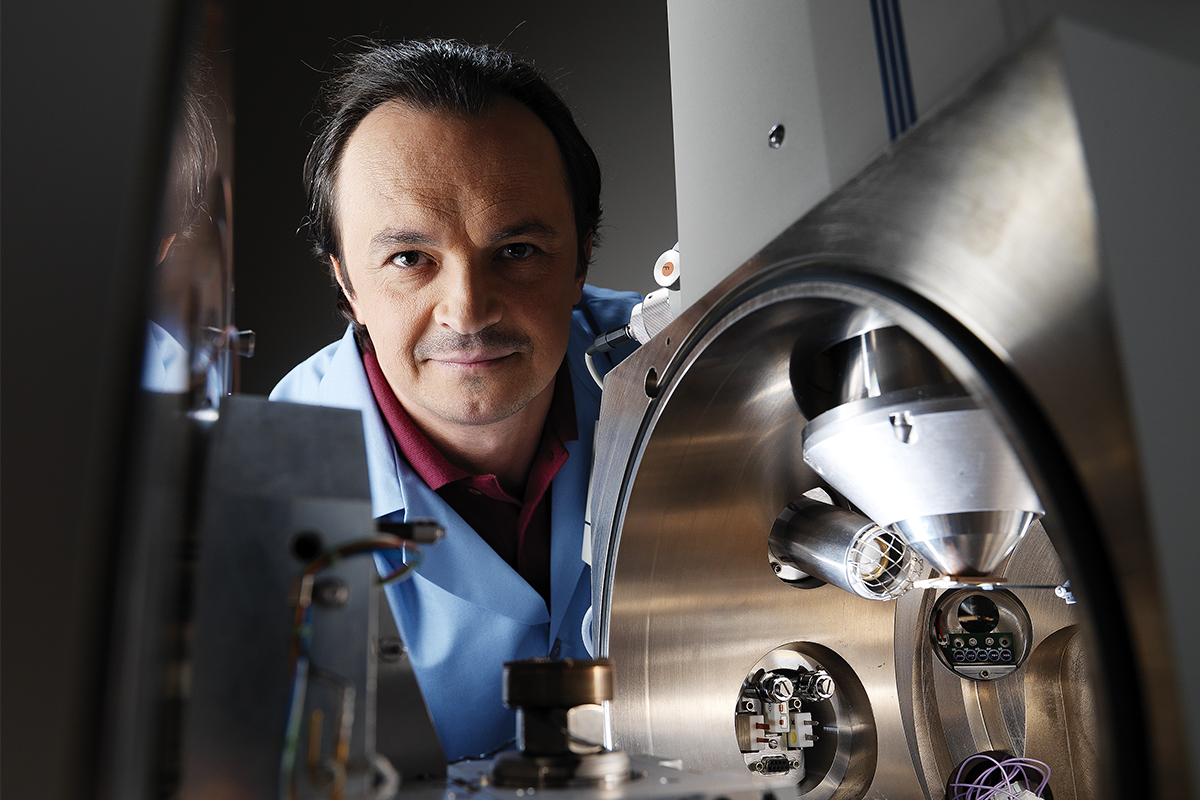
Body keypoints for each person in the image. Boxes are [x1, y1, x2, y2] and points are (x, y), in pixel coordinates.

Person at [269, 39, 641, 760]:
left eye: (518, 251)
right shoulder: (274, 485)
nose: (467, 310)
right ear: (347, 284)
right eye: (411, 259)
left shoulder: (681, 368)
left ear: (582, 256)